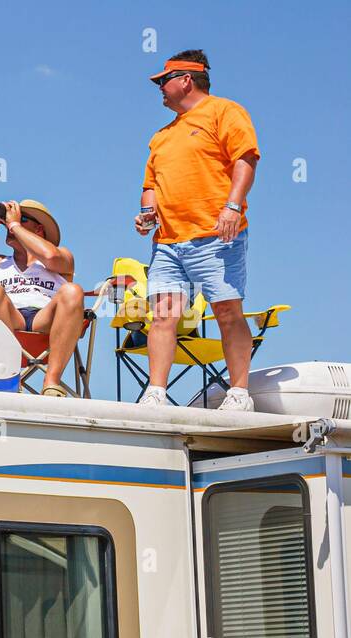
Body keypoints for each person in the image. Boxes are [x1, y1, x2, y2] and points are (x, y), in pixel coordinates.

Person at [136, 49, 260, 410]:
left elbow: (245, 158)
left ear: (186, 79)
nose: (159, 87)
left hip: (216, 235)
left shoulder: (225, 111)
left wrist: (233, 206)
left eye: (163, 80)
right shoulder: (160, 136)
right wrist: (147, 214)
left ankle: (239, 393)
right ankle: (155, 393)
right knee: (163, 315)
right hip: (169, 242)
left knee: (226, 311)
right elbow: (151, 185)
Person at [0, 200, 86, 397]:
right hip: (9, 320)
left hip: (46, 321)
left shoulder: (61, 255)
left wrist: (14, 225)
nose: (10, 224)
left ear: (38, 229)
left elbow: (51, 257)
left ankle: (52, 382)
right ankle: (9, 378)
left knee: (73, 291)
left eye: (22, 218)